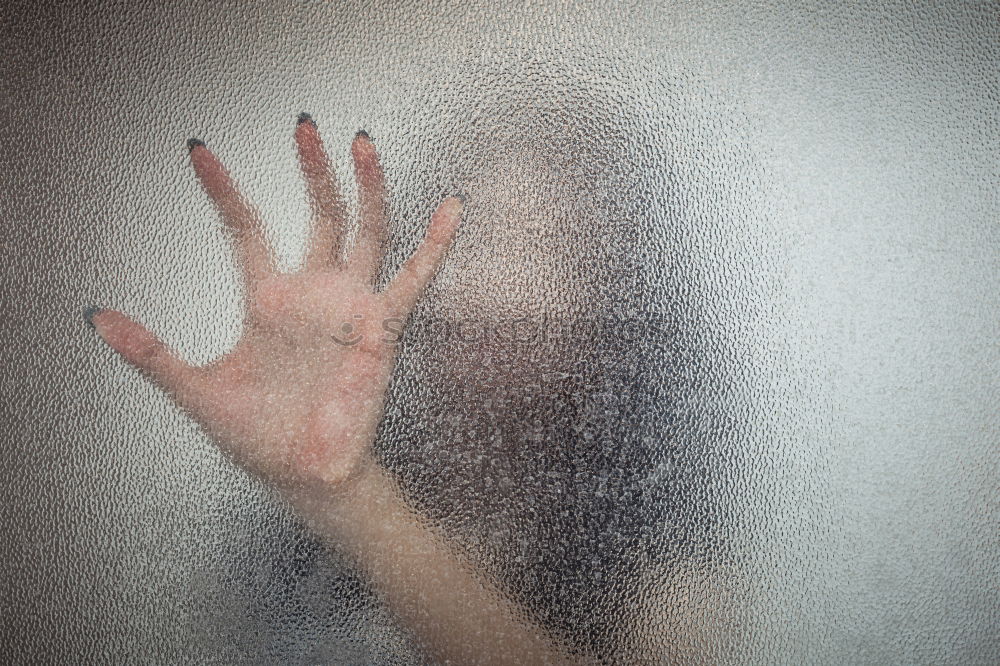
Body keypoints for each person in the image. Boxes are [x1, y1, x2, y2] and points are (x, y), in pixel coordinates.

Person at [84, 114, 583, 665]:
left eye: (549, 247)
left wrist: (355, 503)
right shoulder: (271, 565)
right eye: (482, 245)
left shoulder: (657, 563)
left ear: (610, 291)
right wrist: (337, 492)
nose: (500, 293)